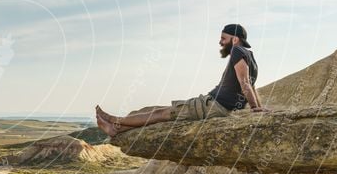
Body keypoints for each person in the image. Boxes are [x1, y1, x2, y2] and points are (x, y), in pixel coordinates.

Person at [96, 24, 267, 137]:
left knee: (160, 114)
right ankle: (116, 129)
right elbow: (251, 84)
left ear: (235, 39)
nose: (220, 42)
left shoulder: (237, 51)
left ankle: (114, 120)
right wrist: (257, 107)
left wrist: (254, 108)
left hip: (213, 106)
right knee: (160, 111)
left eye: (224, 38)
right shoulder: (250, 57)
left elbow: (245, 83)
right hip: (213, 104)